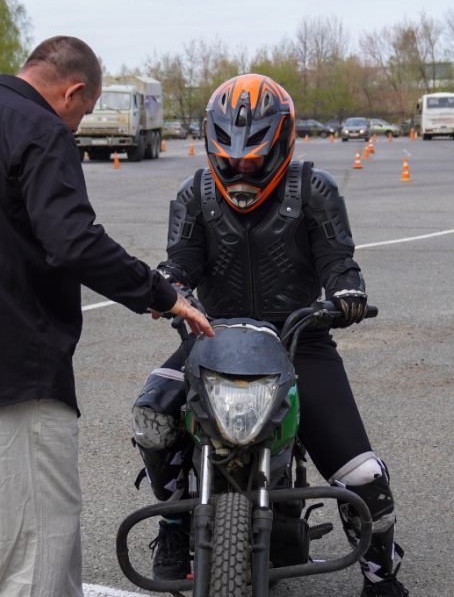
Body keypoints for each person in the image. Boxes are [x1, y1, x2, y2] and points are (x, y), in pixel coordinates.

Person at [0, 35, 212, 597]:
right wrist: (160, 293)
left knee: (42, 534)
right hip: (15, 366)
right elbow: (74, 242)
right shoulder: (39, 130)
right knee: (35, 554)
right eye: (83, 113)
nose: (76, 127)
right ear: (72, 91)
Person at [131, 74, 408, 596]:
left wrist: (346, 293)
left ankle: (382, 576)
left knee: (364, 477)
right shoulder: (195, 193)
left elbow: (339, 262)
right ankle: (172, 529)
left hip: (301, 341)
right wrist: (169, 285)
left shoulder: (316, 190)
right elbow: (181, 262)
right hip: (212, 337)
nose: (241, 166)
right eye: (230, 157)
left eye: (254, 157)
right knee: (153, 415)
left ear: (281, 141)